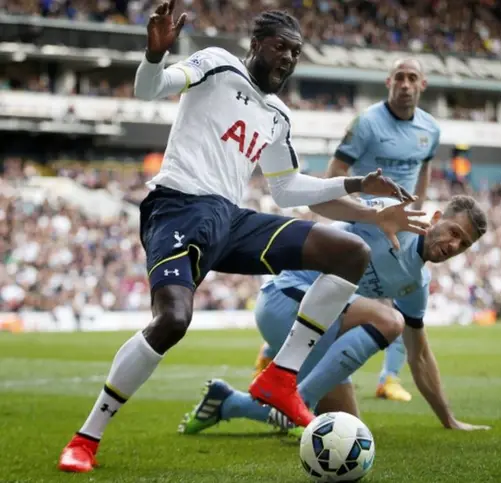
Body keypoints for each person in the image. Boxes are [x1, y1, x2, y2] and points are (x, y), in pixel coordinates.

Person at [58, 4, 427, 473]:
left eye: (295, 52)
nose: (288, 59)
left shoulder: (277, 115)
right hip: (178, 205)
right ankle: (86, 438)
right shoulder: (218, 64)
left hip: (231, 219)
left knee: (348, 252)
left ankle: (281, 376)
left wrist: (356, 188)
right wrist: (154, 56)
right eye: (280, 48)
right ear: (256, 46)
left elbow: (288, 188)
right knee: (172, 320)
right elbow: (150, 89)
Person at [178, 195, 491, 436]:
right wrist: (374, 212)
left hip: (316, 328)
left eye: (463, 244)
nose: (453, 245)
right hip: (286, 296)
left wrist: (448, 419)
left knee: (344, 428)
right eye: (453, 232)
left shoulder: (416, 284)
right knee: (388, 320)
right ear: (435, 217)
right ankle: (297, 400)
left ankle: (228, 402)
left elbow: (419, 355)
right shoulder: (395, 214)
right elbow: (327, 205)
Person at [252, 57, 440, 403]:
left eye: (413, 78)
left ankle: (389, 378)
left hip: (400, 227)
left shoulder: (430, 129)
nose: (405, 84)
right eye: (399, 77)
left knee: (396, 303)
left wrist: (415, 212)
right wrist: (347, 211)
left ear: (422, 85)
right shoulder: (367, 123)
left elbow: (423, 169)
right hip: (361, 222)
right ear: (389, 82)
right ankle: (277, 349)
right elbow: (336, 169)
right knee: (343, 298)